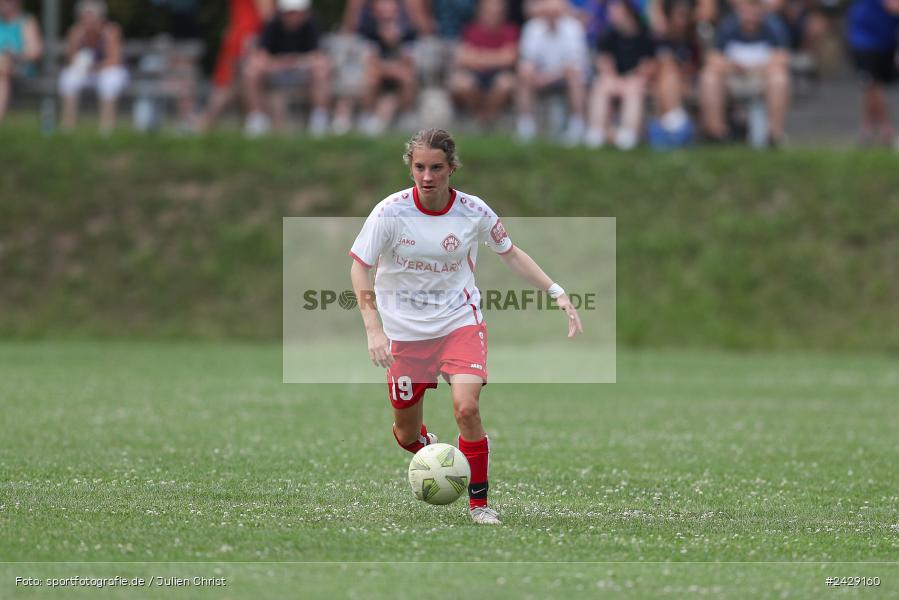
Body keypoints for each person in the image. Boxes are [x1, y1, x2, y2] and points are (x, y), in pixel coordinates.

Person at [348, 129, 583, 525]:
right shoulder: (390, 211)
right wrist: (374, 329)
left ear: (451, 169)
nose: (427, 176)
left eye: (436, 168)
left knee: (467, 408)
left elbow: (511, 254)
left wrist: (556, 291)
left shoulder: (473, 211)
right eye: (419, 167)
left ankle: (480, 505)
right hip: (404, 335)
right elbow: (360, 267)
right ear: (410, 167)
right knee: (406, 435)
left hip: (460, 322)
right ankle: (429, 448)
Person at [698, 0, 790, 144]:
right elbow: (713, 58)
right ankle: (717, 133)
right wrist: (733, 66)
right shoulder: (728, 26)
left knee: (779, 78)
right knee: (709, 77)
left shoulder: (773, 26)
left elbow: (782, 58)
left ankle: (774, 134)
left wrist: (758, 68)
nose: (751, 15)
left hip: (761, 78)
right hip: (732, 77)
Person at [242, 0, 331, 137]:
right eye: (290, 12)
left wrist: (296, 61)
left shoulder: (311, 24)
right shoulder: (272, 25)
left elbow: (318, 56)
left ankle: (319, 119)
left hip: (302, 72)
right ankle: (257, 118)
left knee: (322, 67)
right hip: (275, 72)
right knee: (251, 70)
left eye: (297, 12)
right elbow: (261, 56)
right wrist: (280, 63)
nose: (293, 16)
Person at [516, 0, 590, 144]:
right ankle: (526, 127)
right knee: (523, 77)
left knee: (576, 78)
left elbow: (573, 65)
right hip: (541, 76)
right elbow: (527, 61)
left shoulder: (573, 28)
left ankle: (577, 126)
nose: (551, 15)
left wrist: (547, 77)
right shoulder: (532, 28)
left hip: (564, 76)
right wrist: (533, 74)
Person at [585, 0, 655, 149]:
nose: (610, 14)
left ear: (627, 12)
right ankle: (596, 131)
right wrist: (616, 81)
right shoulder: (607, 37)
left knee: (633, 87)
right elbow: (604, 64)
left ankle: (628, 133)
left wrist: (627, 81)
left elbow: (647, 68)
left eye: (614, 10)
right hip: (613, 81)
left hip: (636, 82)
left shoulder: (646, 37)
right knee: (601, 86)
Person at [198, 0, 273, 132]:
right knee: (237, 83)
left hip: (237, 33)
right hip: (249, 36)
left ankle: (205, 123)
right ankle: (256, 120)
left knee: (232, 84)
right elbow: (267, 15)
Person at [58, 0, 129, 133]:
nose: (87, 20)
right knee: (68, 78)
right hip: (88, 72)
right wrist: (77, 40)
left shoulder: (111, 30)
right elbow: (70, 59)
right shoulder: (76, 32)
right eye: (84, 16)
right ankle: (68, 125)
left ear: (100, 16)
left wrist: (96, 66)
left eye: (91, 15)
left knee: (109, 80)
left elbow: (115, 59)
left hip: (111, 70)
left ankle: (106, 127)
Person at [448, 0, 519, 128]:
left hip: (498, 74)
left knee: (506, 83)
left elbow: (510, 58)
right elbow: (462, 58)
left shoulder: (510, 30)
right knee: (461, 83)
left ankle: (488, 117)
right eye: (490, 12)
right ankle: (478, 116)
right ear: (481, 12)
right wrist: (496, 57)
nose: (494, 15)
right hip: (475, 74)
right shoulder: (471, 30)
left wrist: (478, 57)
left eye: (497, 12)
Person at [359, 0, 418, 135]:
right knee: (370, 78)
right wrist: (389, 69)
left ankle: (406, 115)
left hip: (399, 74)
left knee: (408, 77)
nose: (386, 7)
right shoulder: (369, 29)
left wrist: (395, 42)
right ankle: (367, 114)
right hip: (381, 72)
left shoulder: (407, 30)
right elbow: (370, 60)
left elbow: (410, 61)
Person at [845, 0, 899, 146]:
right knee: (871, 84)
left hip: (884, 41)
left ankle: (867, 129)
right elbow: (893, 6)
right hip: (865, 40)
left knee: (872, 86)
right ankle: (887, 129)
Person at [0, 0, 42, 123]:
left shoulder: (26, 22)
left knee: (3, 69)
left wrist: (15, 55)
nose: (7, 4)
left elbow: (35, 52)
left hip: (21, 66)